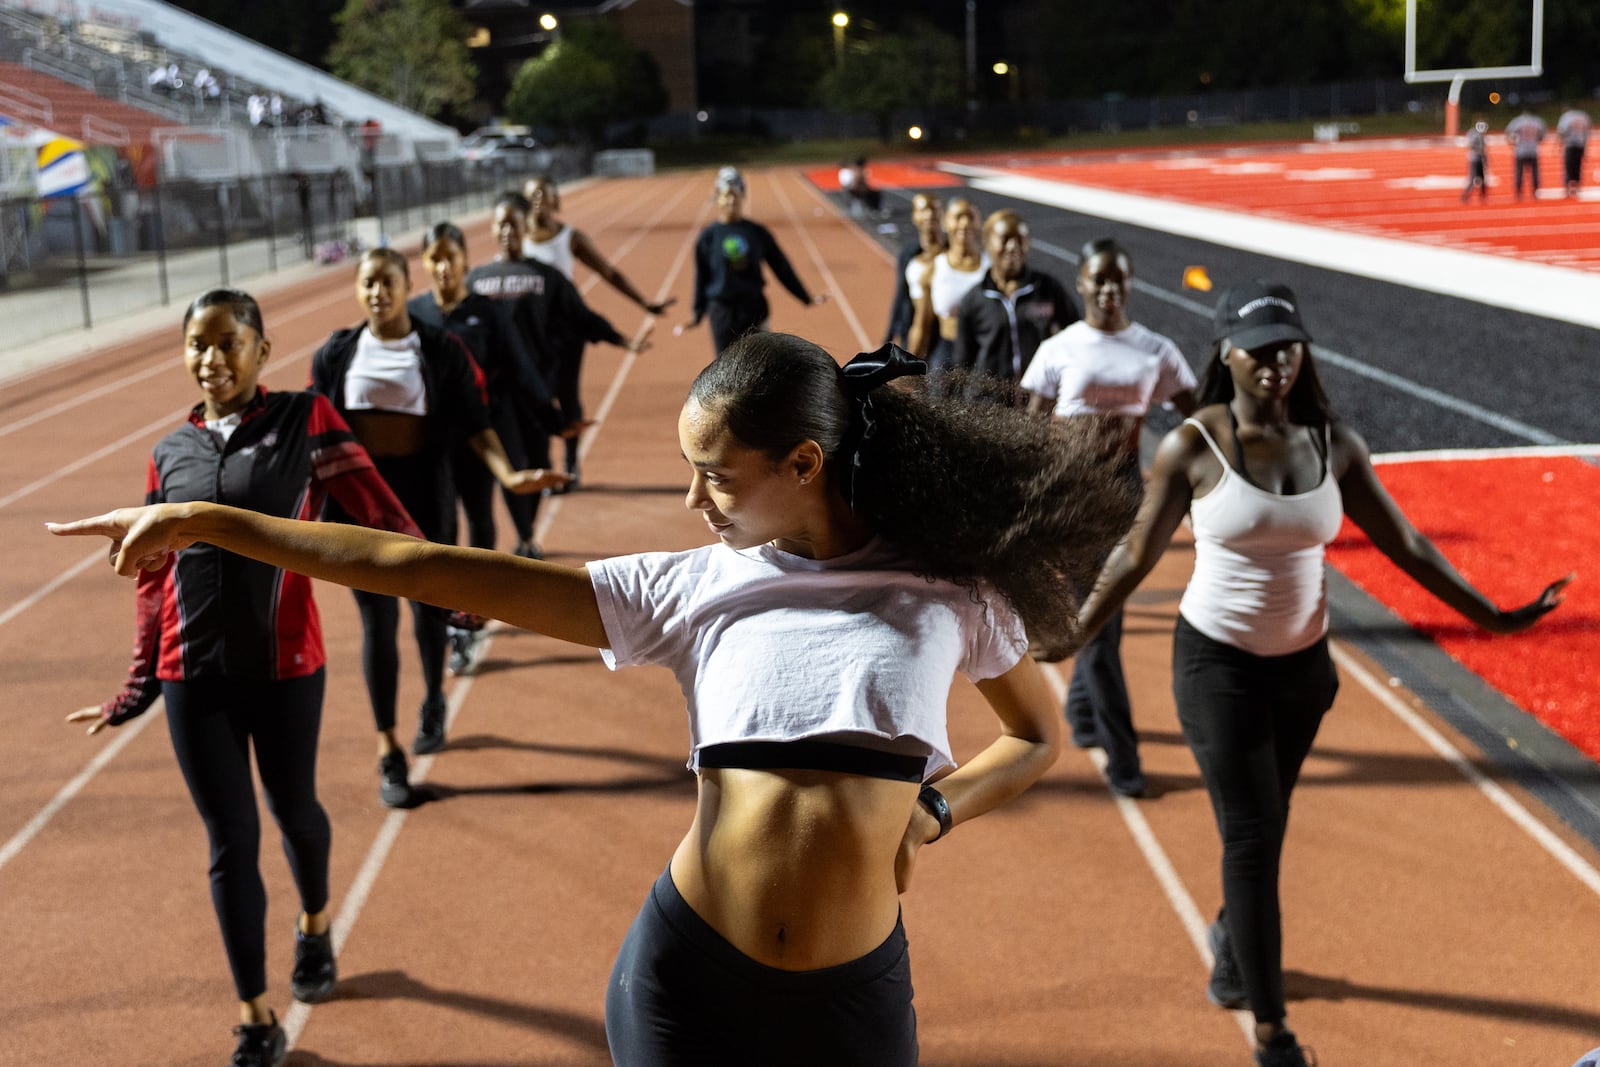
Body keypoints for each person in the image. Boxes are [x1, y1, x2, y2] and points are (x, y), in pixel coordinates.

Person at [53, 333, 1144, 1067]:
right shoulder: (688, 588)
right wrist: (212, 524)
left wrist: (935, 808)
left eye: (715, 474)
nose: (691, 498)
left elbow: (1032, 738)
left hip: (852, 996)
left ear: (803, 461)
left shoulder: (948, 589)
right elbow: (414, 564)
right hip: (687, 976)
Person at [1066, 280, 1570, 1066]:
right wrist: (1076, 628)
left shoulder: (1335, 443)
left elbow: (1407, 546)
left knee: (1268, 826)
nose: (1277, 361)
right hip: (1216, 666)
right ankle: (1270, 1027)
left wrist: (1494, 615)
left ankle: (1235, 938)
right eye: (1261, 348)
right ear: (1225, 351)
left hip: (1305, 671)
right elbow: (1135, 552)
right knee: (1255, 836)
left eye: (1289, 345)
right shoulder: (1194, 444)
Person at [65, 289, 423, 1067]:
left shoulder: (307, 421)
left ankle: (316, 925)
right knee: (231, 841)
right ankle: (256, 1015)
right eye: (198, 343)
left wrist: (449, 588)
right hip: (193, 675)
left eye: (229, 342)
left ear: (262, 350)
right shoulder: (169, 453)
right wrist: (139, 682)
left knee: (295, 810)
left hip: (286, 665)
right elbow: (154, 578)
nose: (211, 358)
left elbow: (379, 512)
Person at [312, 247, 567, 806]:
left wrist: (509, 474)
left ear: (408, 287)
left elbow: (478, 426)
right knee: (376, 624)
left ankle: (431, 696)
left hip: (425, 501)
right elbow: (321, 437)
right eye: (368, 283)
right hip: (362, 509)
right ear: (358, 291)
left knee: (427, 613)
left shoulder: (440, 351)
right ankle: (388, 749)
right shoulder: (335, 354)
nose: (377, 292)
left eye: (387, 282)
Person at [1021, 238, 1198, 797]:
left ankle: (1085, 717)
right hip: (1071, 497)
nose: (1108, 289)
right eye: (1098, 278)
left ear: (1130, 283)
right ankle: (1125, 762)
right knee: (1095, 632)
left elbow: (1202, 417)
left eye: (1118, 279)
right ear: (1081, 283)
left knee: (1106, 622)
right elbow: (1028, 427)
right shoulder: (1059, 346)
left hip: (1125, 494)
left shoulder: (1156, 350)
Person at [410, 221, 567, 675]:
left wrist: (552, 418)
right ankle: (450, 615)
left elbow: (520, 368)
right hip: (432, 447)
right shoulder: (416, 314)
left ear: (464, 261)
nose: (443, 267)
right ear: (425, 263)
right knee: (439, 536)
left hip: (480, 439)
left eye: (450, 257)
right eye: (434, 258)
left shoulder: (487, 312)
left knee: (480, 522)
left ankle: (470, 613)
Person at [471, 191, 647, 494]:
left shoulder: (547, 275)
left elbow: (580, 314)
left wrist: (620, 339)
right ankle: (524, 534)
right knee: (507, 462)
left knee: (537, 450)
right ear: (492, 227)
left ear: (525, 226)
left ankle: (563, 471)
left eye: (514, 224)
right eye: (501, 224)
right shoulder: (475, 279)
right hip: (496, 388)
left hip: (538, 378)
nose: (507, 232)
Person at [521, 175, 669, 483]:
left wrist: (644, 303)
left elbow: (608, 272)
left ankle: (571, 464)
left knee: (567, 394)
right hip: (531, 332)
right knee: (536, 398)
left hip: (566, 330)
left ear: (554, 200)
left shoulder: (570, 237)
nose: (538, 200)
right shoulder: (516, 239)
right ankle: (545, 465)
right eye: (532, 194)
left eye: (544, 194)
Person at [679, 167, 826, 358]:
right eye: (726, 196)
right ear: (717, 198)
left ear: (743, 196)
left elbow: (781, 267)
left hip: (754, 308)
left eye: (736, 195)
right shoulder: (708, 237)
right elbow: (702, 276)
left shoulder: (756, 233)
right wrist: (697, 313)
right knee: (726, 369)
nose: (731, 201)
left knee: (761, 365)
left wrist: (805, 296)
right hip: (723, 312)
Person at [951, 209, 1078, 402]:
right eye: (1005, 239)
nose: (1013, 246)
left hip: (1036, 404)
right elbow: (962, 362)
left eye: (1021, 239)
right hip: (988, 407)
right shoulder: (974, 299)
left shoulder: (1048, 288)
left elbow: (1075, 335)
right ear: (988, 244)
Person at [907, 197, 986, 371]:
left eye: (970, 217)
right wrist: (907, 368)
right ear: (946, 223)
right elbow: (921, 325)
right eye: (958, 217)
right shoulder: (934, 268)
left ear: (979, 223)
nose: (964, 224)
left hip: (984, 356)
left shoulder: (991, 269)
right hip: (946, 356)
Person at [884, 192, 945, 348]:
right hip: (910, 329)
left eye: (934, 209)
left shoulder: (952, 253)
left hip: (942, 336)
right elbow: (900, 294)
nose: (929, 215)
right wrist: (889, 334)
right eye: (923, 210)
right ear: (914, 216)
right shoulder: (908, 254)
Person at [1505, 109, 1548, 201]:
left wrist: (1513, 142)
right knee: (1534, 172)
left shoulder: (1517, 121)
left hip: (1521, 150)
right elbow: (1542, 135)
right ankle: (1535, 190)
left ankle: (1519, 191)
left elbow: (1508, 132)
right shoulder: (1536, 121)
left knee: (1519, 172)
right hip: (1533, 150)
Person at [1557, 103, 1592, 198]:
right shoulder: (1583, 116)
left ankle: (1568, 189)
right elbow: (1587, 133)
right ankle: (1577, 187)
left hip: (1570, 144)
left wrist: (1559, 145)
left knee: (1569, 166)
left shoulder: (1566, 117)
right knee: (1578, 166)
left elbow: (1562, 131)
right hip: (1580, 144)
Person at [1461, 118, 1490, 203]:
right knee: (1472, 178)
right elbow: (1471, 145)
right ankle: (1466, 195)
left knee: (1483, 178)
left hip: (1480, 158)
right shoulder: (1474, 134)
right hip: (1475, 158)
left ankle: (1483, 195)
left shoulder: (1480, 134)